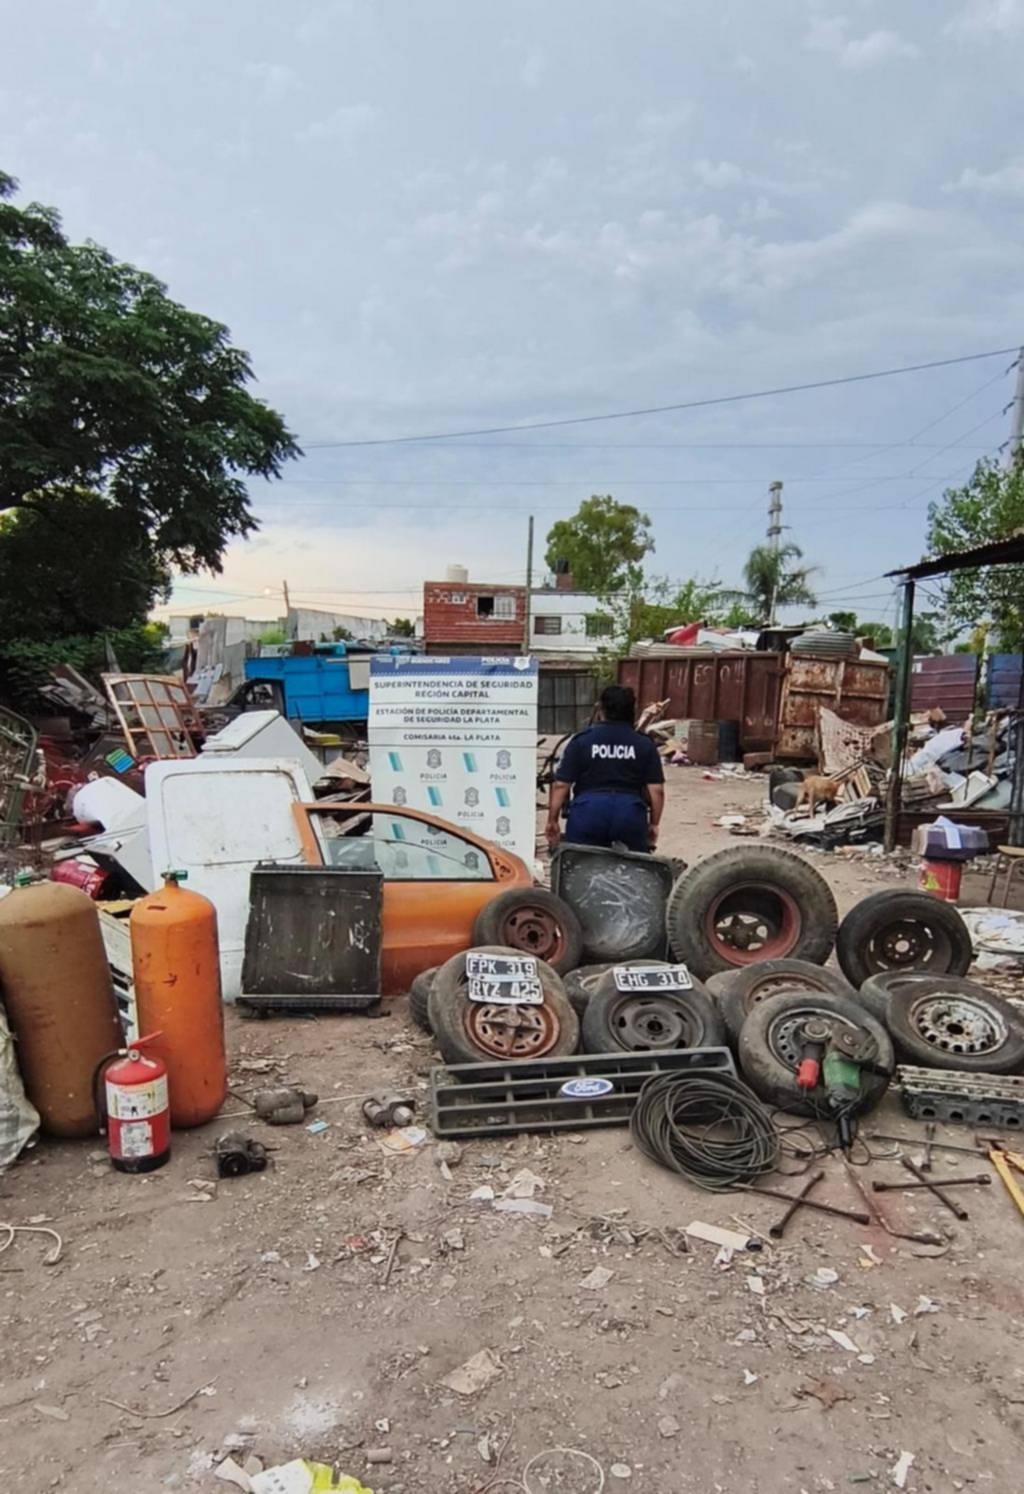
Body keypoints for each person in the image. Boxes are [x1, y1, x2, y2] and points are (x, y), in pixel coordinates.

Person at [545, 684, 665, 853]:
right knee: (633, 870)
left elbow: (561, 785)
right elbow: (657, 790)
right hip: (629, 814)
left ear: (601, 710)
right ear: (632, 710)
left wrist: (552, 820)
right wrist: (654, 824)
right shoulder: (644, 744)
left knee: (580, 866)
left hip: (587, 813)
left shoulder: (581, 741)